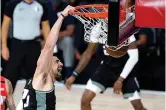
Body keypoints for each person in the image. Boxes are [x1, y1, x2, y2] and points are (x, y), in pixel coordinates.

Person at [65, 1, 147, 110]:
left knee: (138, 107)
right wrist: (74, 74)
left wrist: (120, 80)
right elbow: (88, 53)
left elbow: (134, 57)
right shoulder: (98, 28)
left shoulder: (124, 27)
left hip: (124, 68)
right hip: (107, 66)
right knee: (85, 99)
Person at [16, 5, 75, 110]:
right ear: (47, 63)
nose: (61, 64)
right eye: (57, 61)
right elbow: (49, 46)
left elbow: (22, 102)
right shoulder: (42, 77)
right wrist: (62, 16)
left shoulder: (34, 81)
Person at [1, 0, 50, 89]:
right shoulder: (12, 4)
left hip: (34, 46)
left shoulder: (41, 5)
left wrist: (49, 47)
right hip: (16, 45)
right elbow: (5, 25)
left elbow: (45, 26)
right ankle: (4, 102)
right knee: (9, 77)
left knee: (35, 77)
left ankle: (34, 102)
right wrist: (4, 46)